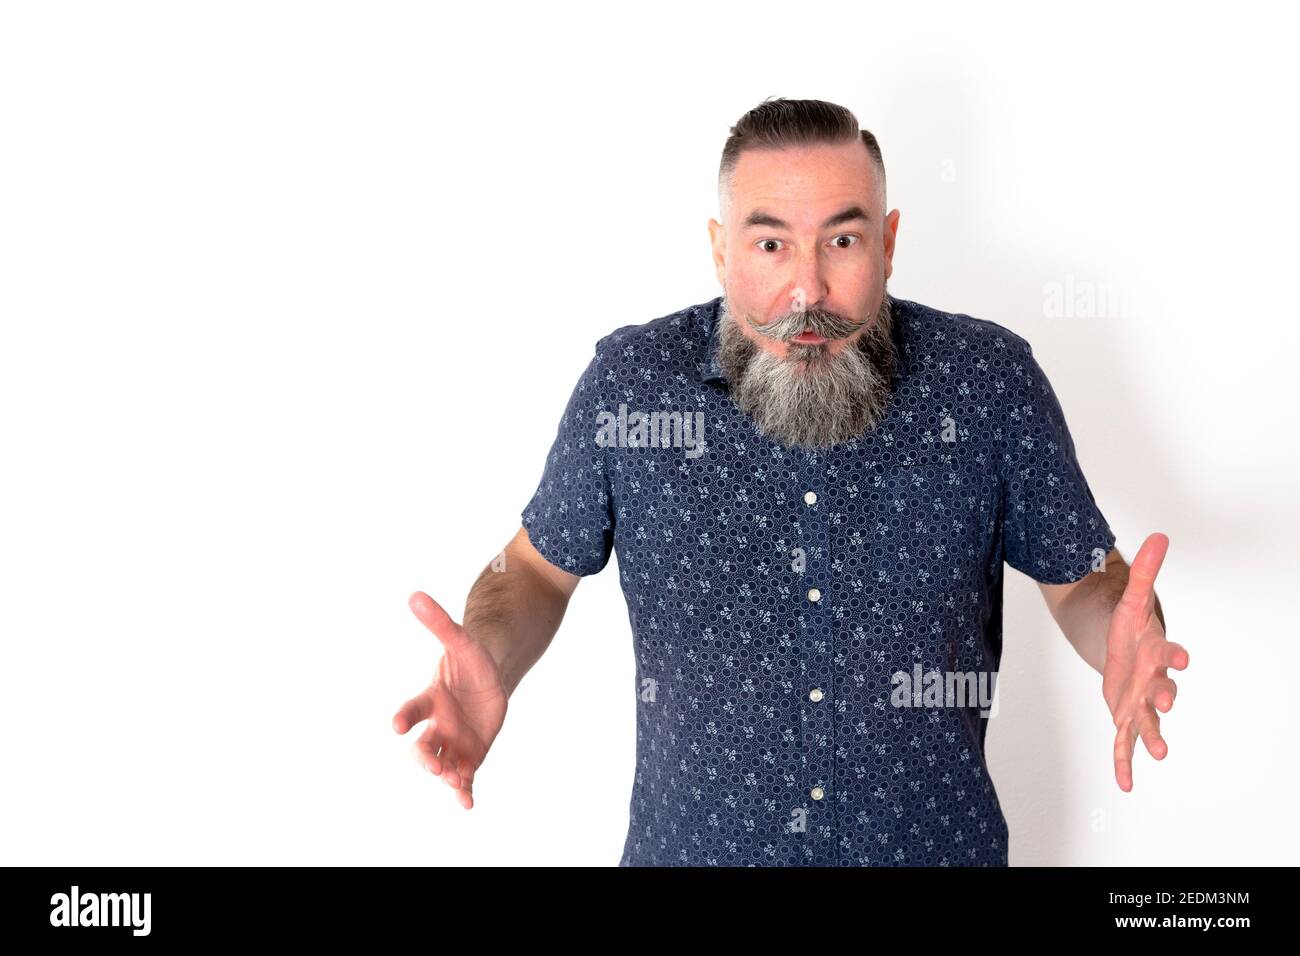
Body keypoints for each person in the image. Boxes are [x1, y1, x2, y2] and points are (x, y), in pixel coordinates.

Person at [392, 97, 1187, 866]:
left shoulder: (989, 384)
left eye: (842, 242)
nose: (806, 290)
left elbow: (1086, 583)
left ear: (888, 242)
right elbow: (534, 569)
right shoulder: (630, 389)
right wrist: (491, 659)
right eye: (770, 245)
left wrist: (1123, 629)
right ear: (719, 248)